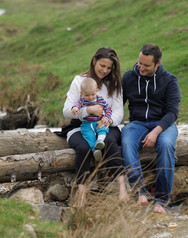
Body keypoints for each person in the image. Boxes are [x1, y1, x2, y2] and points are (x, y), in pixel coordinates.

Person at [61, 47, 129, 207]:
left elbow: (119, 111)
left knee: (110, 142)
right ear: (94, 61)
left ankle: (122, 188)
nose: (105, 70)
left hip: (106, 126)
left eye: (109, 68)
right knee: (84, 148)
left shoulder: (114, 84)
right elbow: (66, 110)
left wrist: (108, 120)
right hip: (80, 126)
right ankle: (82, 194)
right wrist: (87, 111)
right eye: (102, 66)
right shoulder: (79, 81)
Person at [121, 43, 181, 213]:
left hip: (164, 123)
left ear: (158, 64)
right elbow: (117, 104)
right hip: (137, 123)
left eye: (146, 65)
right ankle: (141, 192)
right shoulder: (128, 77)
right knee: (126, 141)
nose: (141, 68)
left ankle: (161, 201)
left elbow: (172, 112)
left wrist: (156, 132)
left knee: (166, 145)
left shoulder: (170, 80)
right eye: (140, 63)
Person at [71, 77, 112, 162]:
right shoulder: (82, 100)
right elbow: (76, 104)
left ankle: (100, 141)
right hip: (87, 124)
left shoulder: (100, 100)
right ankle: (95, 151)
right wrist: (75, 108)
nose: (90, 97)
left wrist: (106, 118)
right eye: (87, 95)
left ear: (97, 90)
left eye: (93, 94)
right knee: (89, 136)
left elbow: (108, 109)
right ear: (82, 93)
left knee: (103, 129)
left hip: (99, 122)